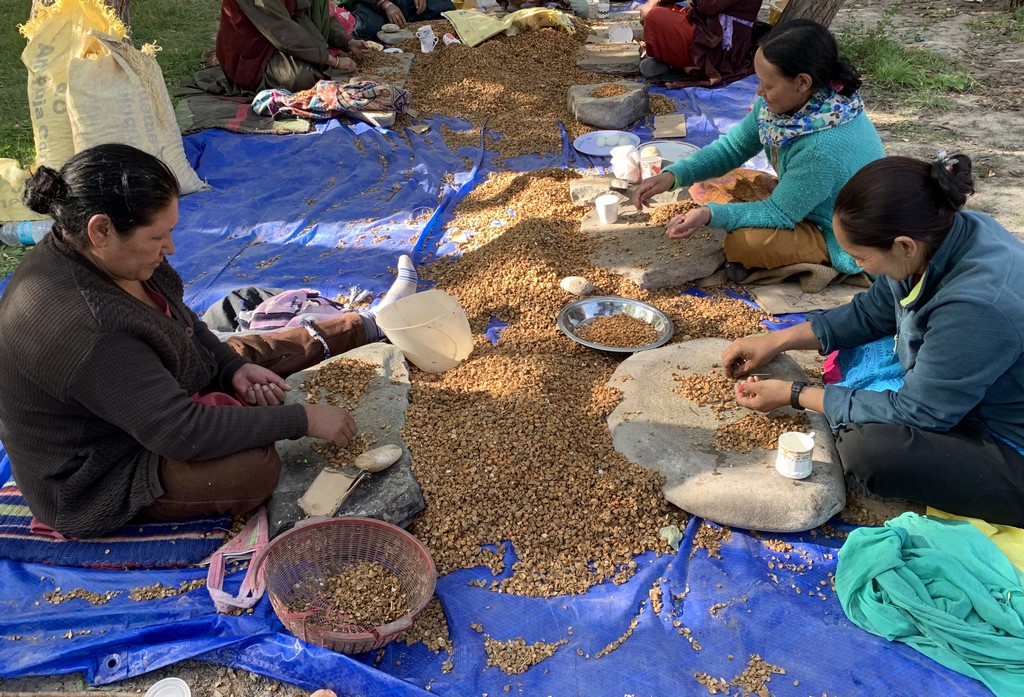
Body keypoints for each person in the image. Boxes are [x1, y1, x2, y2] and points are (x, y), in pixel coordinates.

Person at [0, 144, 421, 538]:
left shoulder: (109, 259)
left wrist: (231, 369)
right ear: (100, 230)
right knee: (253, 469)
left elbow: (186, 323)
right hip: (105, 469)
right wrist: (303, 420)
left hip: (145, 393)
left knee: (244, 354)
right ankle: (248, 404)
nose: (170, 247)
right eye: (157, 237)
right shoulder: (88, 326)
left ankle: (372, 323)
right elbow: (180, 432)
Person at [721, 153, 1024, 527]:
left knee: (868, 451)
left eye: (861, 259)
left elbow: (920, 413)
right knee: (859, 357)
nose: (859, 267)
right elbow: (871, 312)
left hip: (1011, 442)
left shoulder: (977, 305)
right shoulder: (938, 235)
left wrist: (795, 394)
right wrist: (777, 341)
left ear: (903, 246)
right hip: (978, 379)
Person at [632, 19, 885, 283]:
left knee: (743, 244)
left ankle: (820, 260)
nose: (759, 91)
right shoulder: (792, 109)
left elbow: (780, 214)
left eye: (768, 84)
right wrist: (674, 175)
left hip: (838, 230)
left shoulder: (822, 148)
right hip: (806, 196)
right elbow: (731, 148)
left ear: (802, 82)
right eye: (759, 80)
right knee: (707, 183)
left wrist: (711, 215)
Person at [216, 0, 372, 92]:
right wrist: (332, 60)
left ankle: (315, 56)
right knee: (304, 77)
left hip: (282, 40)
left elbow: (311, 13)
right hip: (253, 53)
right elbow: (280, 29)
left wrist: (347, 41)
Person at [639, 0, 762, 87]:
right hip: (707, 26)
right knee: (662, 7)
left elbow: (707, 6)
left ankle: (683, 64)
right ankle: (674, 61)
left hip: (718, 47)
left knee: (654, 16)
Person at [339, 0, 455, 42]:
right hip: (371, 3)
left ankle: (402, 17)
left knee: (445, 7)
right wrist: (385, 4)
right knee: (365, 28)